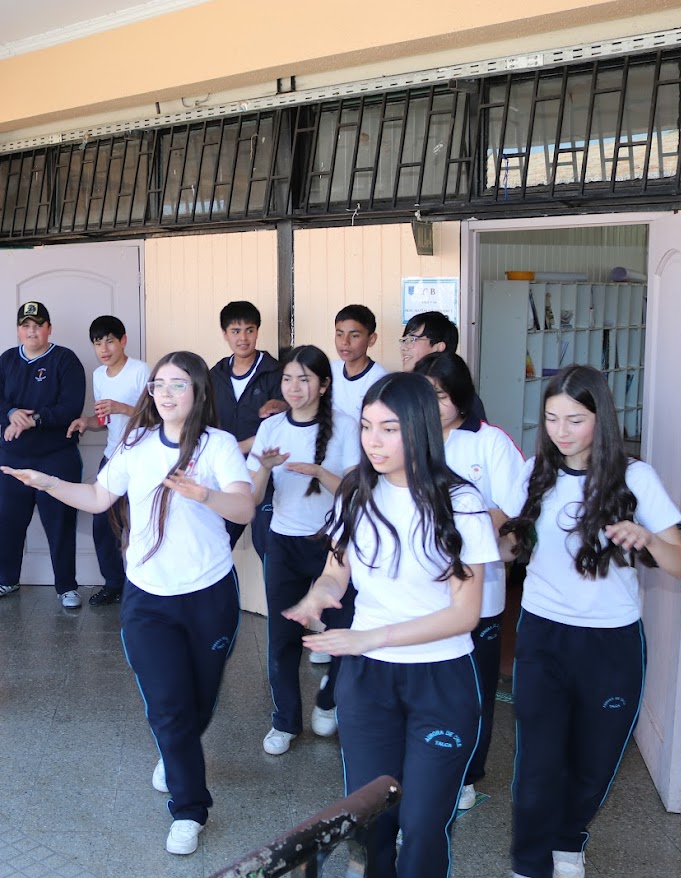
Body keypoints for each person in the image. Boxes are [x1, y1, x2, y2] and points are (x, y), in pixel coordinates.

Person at [1, 351, 254, 857]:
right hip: (148, 600)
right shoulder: (136, 444)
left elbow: (244, 506)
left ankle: (176, 752)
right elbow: (99, 497)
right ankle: (188, 808)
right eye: (159, 385)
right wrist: (49, 482)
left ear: (198, 391)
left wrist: (203, 495)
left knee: (199, 701)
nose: (165, 394)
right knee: (169, 706)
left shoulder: (218, 445)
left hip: (208, 595)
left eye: (177, 384)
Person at [284, 371, 498, 878]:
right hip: (369, 680)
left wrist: (370, 637)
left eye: (388, 429)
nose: (372, 442)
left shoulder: (461, 502)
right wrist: (320, 593)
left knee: (423, 824)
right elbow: (337, 569)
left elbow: (464, 614)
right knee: (372, 820)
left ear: (419, 428)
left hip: (440, 679)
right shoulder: (356, 492)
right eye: (366, 427)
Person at [500, 365, 681, 878]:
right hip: (542, 635)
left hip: (611, 643)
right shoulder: (533, 473)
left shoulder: (636, 478)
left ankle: (569, 839)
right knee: (537, 763)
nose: (560, 432)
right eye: (551, 419)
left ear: (600, 418)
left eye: (575, 420)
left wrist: (647, 539)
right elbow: (507, 547)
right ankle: (528, 864)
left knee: (593, 762)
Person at [413, 351, 524, 810]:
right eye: (425, 395)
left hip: (479, 589)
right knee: (429, 686)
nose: (432, 404)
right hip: (421, 588)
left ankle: (468, 775)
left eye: (441, 395)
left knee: (474, 690)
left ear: (461, 397)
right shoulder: (409, 438)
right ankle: (429, 763)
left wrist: (455, 536)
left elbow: (512, 508)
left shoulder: (489, 441)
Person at [247, 345, 358, 755]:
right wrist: (263, 468)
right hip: (284, 542)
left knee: (344, 631)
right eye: (288, 378)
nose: (294, 387)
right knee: (282, 638)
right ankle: (285, 722)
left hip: (335, 543)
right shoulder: (272, 428)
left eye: (305, 379)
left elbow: (356, 492)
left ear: (324, 385)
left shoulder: (347, 426)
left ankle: (328, 699)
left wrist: (317, 472)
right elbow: (251, 497)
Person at [0, 301, 87, 608]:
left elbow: (70, 406)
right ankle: (6, 579)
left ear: (49, 329)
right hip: (13, 459)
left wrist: (33, 420)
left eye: (38, 325)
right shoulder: (7, 360)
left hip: (56, 458)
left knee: (60, 523)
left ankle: (66, 587)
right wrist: (11, 413)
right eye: (26, 326)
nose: (32, 332)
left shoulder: (65, 360)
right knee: (9, 523)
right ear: (19, 330)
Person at [67, 315, 150, 607]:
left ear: (123, 341)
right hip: (113, 456)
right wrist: (86, 422)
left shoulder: (141, 371)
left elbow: (155, 416)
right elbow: (104, 420)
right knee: (103, 522)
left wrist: (122, 407)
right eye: (98, 343)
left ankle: (146, 585)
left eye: (110, 341)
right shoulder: (99, 375)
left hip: (142, 457)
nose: (104, 348)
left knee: (142, 523)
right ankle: (114, 583)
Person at [210, 300, 284, 555]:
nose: (243, 338)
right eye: (235, 331)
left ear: (257, 331)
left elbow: (282, 427)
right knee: (217, 546)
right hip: (227, 474)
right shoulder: (216, 374)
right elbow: (206, 422)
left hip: (266, 475)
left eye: (249, 330)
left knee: (269, 549)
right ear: (225, 334)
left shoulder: (275, 372)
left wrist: (243, 446)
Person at [398, 310, 487, 427]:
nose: (404, 347)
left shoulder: (462, 396)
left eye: (412, 340)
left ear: (439, 347)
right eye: (404, 340)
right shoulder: (402, 390)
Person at [330, 304, 389, 422]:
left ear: (371, 339)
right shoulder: (329, 371)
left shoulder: (380, 380)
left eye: (354, 336)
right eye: (339, 334)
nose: (345, 342)